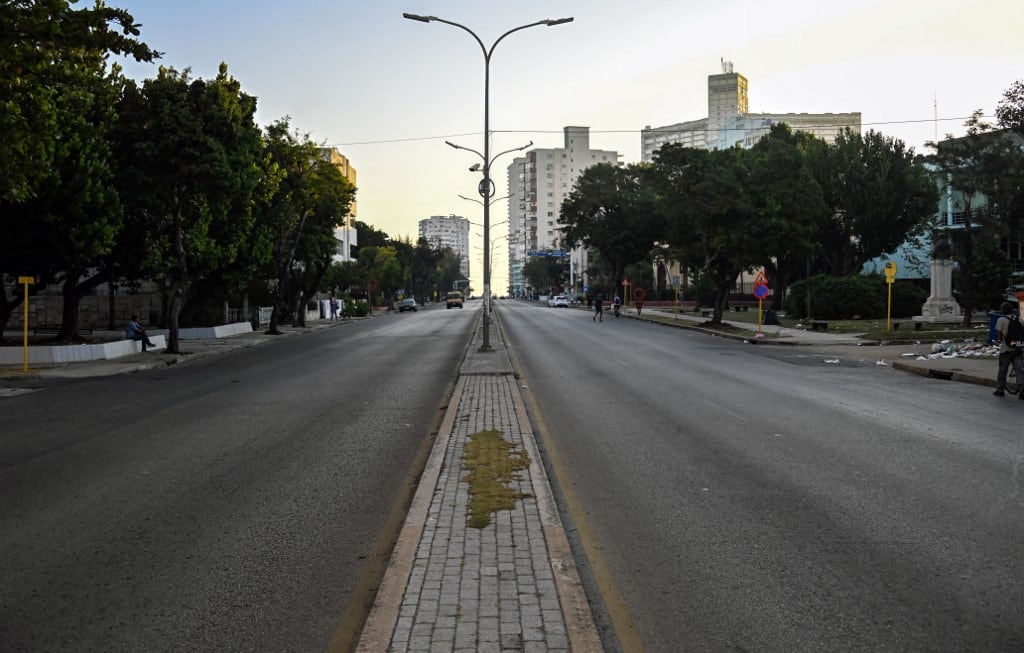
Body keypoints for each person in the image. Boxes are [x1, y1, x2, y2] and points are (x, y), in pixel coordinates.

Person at [993, 301, 1024, 398]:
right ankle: (1022, 391)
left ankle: (1000, 390)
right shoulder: (1019, 319)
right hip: (1018, 349)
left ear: (1003, 310)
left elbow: (999, 335)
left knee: (1003, 370)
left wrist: (999, 340)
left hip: (1005, 350)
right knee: (1019, 370)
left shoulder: (1001, 320)